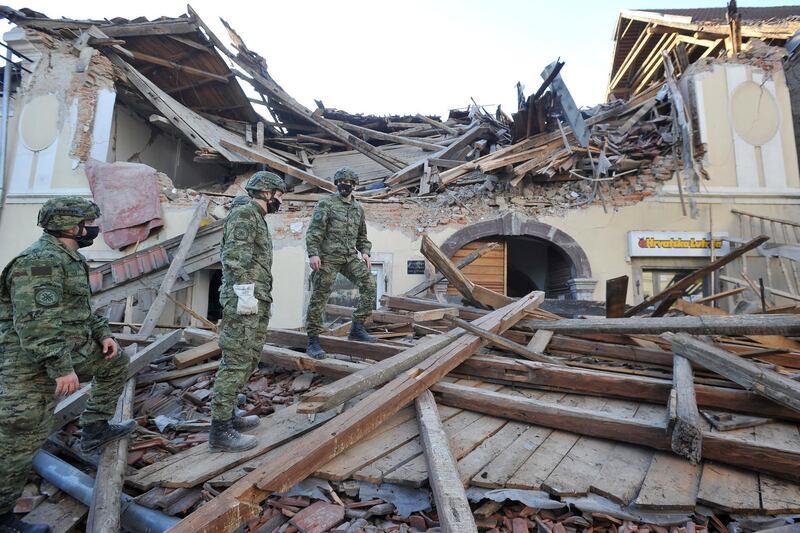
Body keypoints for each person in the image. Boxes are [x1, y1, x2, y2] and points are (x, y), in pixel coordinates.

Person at [0, 197, 134, 532]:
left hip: (68, 349)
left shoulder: (70, 259)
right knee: (20, 438)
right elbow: (37, 325)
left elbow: (82, 311)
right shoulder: (39, 262)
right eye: (89, 222)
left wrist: (103, 334)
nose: (94, 228)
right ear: (70, 226)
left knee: (116, 362)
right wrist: (61, 368)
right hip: (29, 363)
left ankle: (94, 429)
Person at [209, 171, 285, 453]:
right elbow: (234, 256)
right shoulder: (245, 215)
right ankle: (219, 432)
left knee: (249, 357)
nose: (280, 201)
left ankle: (228, 417)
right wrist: (244, 293)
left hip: (255, 298)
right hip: (244, 300)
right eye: (279, 195)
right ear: (266, 193)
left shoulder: (256, 217)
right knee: (236, 362)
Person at [305, 167, 377, 359]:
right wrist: (313, 254)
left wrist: (366, 252)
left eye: (349, 182)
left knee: (369, 284)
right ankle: (313, 340)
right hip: (327, 257)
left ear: (354, 186)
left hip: (349, 257)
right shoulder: (326, 204)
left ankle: (357, 327)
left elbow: (362, 236)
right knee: (320, 295)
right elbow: (314, 231)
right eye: (342, 181)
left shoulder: (358, 208)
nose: (346, 185)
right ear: (337, 183)